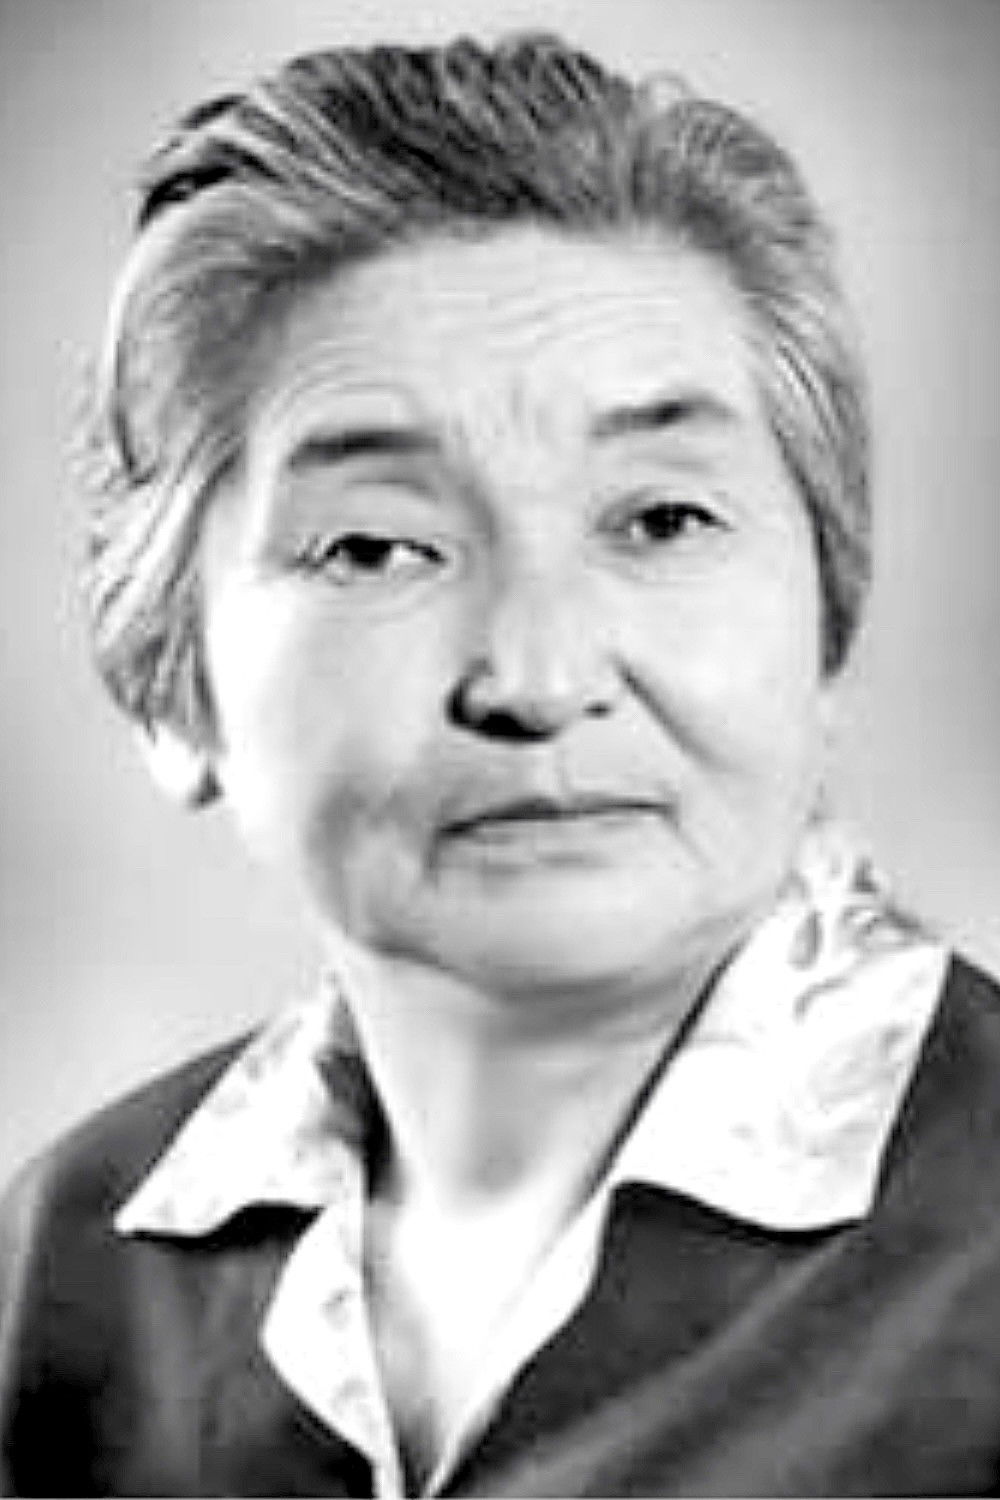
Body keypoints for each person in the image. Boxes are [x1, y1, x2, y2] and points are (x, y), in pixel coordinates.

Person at [2, 29, 1000, 1498]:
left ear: (826, 624)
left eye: (662, 520)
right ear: (170, 686)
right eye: (377, 546)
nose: (536, 677)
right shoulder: (63, 1268)